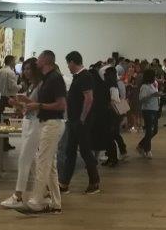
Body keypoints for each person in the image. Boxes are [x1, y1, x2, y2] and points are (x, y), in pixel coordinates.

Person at [18, 50, 66, 215]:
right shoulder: (47, 79)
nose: (36, 61)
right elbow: (42, 103)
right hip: (46, 122)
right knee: (49, 165)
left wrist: (38, 105)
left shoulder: (55, 78)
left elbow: (61, 105)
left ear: (45, 60)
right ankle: (56, 203)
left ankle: (37, 200)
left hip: (52, 124)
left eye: (39, 58)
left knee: (42, 162)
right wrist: (28, 102)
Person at [0, 58, 42, 209]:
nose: (26, 72)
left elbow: (39, 106)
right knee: (32, 161)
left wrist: (24, 102)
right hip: (28, 122)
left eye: (29, 69)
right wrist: (17, 104)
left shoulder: (40, 86)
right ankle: (46, 191)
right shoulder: (31, 86)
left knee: (24, 158)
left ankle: (18, 195)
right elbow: (27, 108)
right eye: (24, 69)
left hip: (36, 123)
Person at [58, 51, 101, 195]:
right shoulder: (79, 77)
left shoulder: (85, 76)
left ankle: (94, 182)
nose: (68, 67)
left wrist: (82, 119)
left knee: (85, 151)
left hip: (80, 122)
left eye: (68, 64)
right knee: (70, 151)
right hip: (74, 121)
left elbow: (89, 98)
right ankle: (64, 183)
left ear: (72, 62)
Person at [100, 65, 128, 166]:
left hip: (111, 115)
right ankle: (111, 158)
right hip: (111, 114)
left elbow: (114, 102)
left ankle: (113, 158)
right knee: (110, 137)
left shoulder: (111, 86)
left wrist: (121, 115)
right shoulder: (112, 85)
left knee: (110, 137)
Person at [137, 68, 161, 158]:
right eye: (154, 76)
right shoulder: (144, 87)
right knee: (149, 130)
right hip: (148, 110)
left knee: (154, 130)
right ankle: (147, 149)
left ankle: (141, 145)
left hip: (154, 109)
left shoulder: (152, 85)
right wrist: (152, 95)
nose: (155, 77)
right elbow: (141, 99)